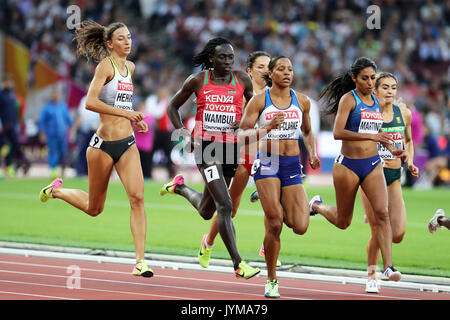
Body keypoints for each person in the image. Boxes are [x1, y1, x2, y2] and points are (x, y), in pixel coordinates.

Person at [39, 20, 153, 278]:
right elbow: (90, 102)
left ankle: (140, 261)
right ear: (110, 44)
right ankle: (56, 191)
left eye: (130, 37)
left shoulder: (131, 68)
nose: (128, 42)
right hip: (102, 146)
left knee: (137, 198)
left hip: (127, 144)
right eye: (121, 38)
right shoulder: (105, 66)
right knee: (94, 208)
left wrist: (137, 120)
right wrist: (126, 112)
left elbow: (124, 104)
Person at [159, 37, 260, 279]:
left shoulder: (242, 80)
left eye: (231, 57)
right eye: (222, 57)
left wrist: (245, 120)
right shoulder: (197, 80)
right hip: (206, 148)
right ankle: (238, 264)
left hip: (230, 150)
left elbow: (258, 106)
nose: (227, 61)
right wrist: (184, 134)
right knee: (225, 206)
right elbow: (172, 107)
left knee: (206, 211)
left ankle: (180, 187)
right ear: (211, 59)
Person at [310, 57, 408, 285]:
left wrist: (393, 149)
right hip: (348, 165)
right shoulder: (349, 99)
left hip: (373, 164)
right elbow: (338, 132)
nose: (370, 82)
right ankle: (316, 205)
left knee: (382, 214)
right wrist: (371, 136)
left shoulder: (375, 100)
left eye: (373, 78)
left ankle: (387, 267)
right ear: (354, 78)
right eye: (365, 78)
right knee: (344, 221)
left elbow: (379, 133)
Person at [238, 56, 320, 298]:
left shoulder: (302, 101)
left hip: (292, 163)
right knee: (274, 222)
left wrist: (313, 153)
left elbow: (306, 131)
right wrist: (267, 128)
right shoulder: (259, 101)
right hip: (267, 162)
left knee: (300, 226)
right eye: (281, 69)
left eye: (290, 69)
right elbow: (242, 133)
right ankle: (272, 280)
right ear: (270, 73)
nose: (287, 73)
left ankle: (281, 200)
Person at [196, 50, 273, 269]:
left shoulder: (273, 94)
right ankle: (208, 242)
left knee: (277, 200)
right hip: (238, 154)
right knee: (230, 207)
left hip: (263, 154)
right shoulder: (240, 92)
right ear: (249, 70)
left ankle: (268, 246)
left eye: (269, 66)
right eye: (260, 67)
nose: (266, 70)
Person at [358, 72, 419, 293]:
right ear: (375, 90)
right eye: (385, 87)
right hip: (371, 177)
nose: (390, 92)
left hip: (394, 177)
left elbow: (409, 140)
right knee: (378, 229)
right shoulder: (366, 114)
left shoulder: (404, 113)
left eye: (393, 87)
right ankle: (372, 274)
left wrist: (410, 161)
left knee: (398, 233)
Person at [38, 87, 73, 179]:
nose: (55, 96)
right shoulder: (47, 108)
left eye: (56, 94)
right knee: (53, 152)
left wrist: (72, 130)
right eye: (53, 94)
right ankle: (53, 171)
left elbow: (68, 120)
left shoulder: (63, 106)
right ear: (51, 95)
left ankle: (63, 170)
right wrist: (42, 133)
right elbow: (42, 121)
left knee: (63, 153)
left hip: (63, 135)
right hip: (52, 134)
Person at [70, 93, 100, 177]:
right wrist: (74, 130)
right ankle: (80, 173)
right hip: (85, 130)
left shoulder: (101, 99)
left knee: (96, 153)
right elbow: (80, 116)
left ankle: (93, 173)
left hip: (97, 131)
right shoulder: (84, 100)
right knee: (82, 151)